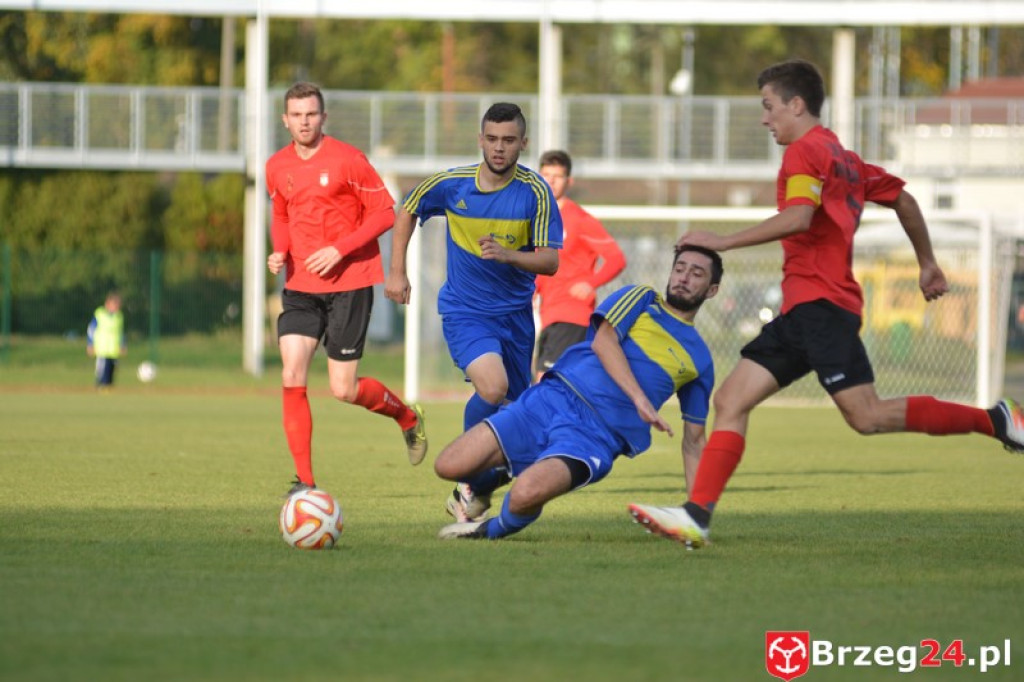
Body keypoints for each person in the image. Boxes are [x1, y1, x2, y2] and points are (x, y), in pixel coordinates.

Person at [627, 59, 1024, 549]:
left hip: (821, 307)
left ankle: (996, 420)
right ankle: (696, 516)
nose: (764, 118)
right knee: (731, 400)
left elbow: (798, 217)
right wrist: (927, 263)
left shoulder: (805, 152)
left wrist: (722, 241)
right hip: (805, 311)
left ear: (796, 104)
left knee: (867, 416)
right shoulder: (844, 158)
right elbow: (904, 200)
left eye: (768, 106)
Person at [434, 245, 721, 540]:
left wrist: (698, 513)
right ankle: (490, 481)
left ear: (712, 290)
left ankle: (488, 530)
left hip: (595, 437)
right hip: (552, 399)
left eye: (696, 273)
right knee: (448, 465)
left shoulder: (699, 359)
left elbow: (694, 441)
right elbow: (603, 343)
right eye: (680, 269)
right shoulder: (642, 298)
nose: (684, 277)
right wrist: (640, 399)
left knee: (525, 493)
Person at [385, 102, 563, 513]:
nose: (499, 148)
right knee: (493, 388)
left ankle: (476, 489)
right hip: (466, 311)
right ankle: (470, 479)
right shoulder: (453, 184)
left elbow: (550, 261)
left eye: (509, 140)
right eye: (492, 139)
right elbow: (407, 208)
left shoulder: (535, 192)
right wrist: (396, 272)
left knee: (518, 415)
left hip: (516, 318)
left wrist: (508, 255)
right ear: (480, 139)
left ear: (523, 143)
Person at [265, 81, 427, 497]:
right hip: (301, 286)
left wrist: (339, 249)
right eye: (296, 115)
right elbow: (281, 215)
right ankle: (305, 483)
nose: (304, 122)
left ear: (323, 117)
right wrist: (280, 251)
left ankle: (407, 418)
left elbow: (385, 213)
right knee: (291, 371)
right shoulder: (276, 166)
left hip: (350, 283)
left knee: (343, 388)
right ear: (285, 120)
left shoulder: (349, 160)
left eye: (311, 114)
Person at [533, 150, 627, 382]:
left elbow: (616, 258)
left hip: (571, 314)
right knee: (551, 383)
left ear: (569, 181)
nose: (551, 181)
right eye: (546, 175)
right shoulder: (539, 218)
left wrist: (591, 283)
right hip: (549, 313)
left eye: (557, 176)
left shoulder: (580, 219)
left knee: (546, 382)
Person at [87, 290, 125, 391]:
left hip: (113, 350)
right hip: (102, 349)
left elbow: (120, 332)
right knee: (102, 371)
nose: (116, 307)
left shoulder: (119, 316)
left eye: (118, 305)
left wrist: (122, 344)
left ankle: (108, 391)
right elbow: (91, 329)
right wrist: (90, 344)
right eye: (114, 304)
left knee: (111, 372)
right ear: (107, 304)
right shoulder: (99, 314)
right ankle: (99, 388)